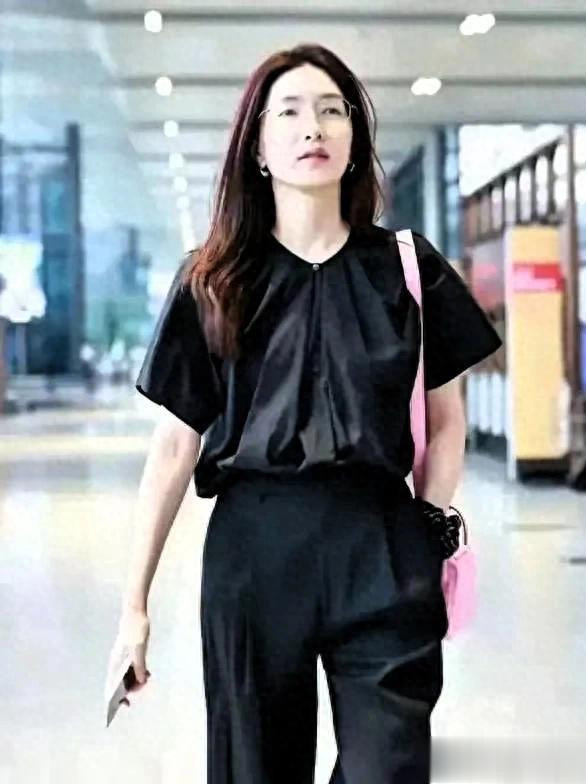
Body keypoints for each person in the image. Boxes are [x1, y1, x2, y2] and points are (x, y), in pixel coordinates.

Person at [105, 44, 502, 783]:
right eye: (287, 112)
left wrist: (428, 522)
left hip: (380, 542)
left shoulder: (408, 269)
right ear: (257, 148)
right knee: (255, 767)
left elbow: (446, 418)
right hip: (255, 550)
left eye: (331, 110)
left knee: (390, 766)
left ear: (354, 138)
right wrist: (134, 606)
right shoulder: (214, 280)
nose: (312, 127)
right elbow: (174, 447)